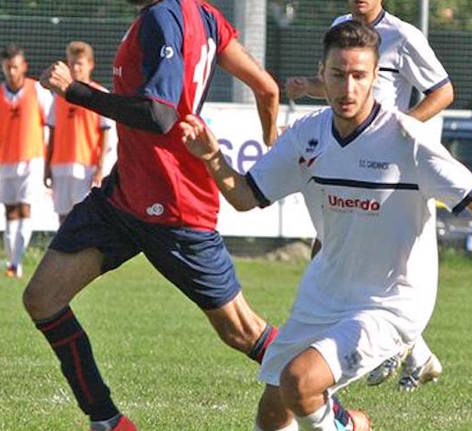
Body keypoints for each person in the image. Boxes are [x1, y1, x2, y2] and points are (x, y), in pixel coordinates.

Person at [179, 20, 472, 431]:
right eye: (338, 75)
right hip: (325, 291)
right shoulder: (307, 136)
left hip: (390, 302)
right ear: (322, 75)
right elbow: (245, 198)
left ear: (374, 79)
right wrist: (212, 158)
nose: (348, 88)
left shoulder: (407, 139)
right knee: (273, 410)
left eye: (358, 76)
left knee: (300, 383)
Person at [24, 1, 280, 430]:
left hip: (174, 208)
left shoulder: (164, 17)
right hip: (124, 198)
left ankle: (332, 410)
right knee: (42, 299)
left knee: (243, 332)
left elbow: (159, 114)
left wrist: (78, 91)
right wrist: (274, 149)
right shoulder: (204, 15)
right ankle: (108, 422)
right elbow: (268, 88)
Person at [285, 0, 454, 390]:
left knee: (361, 256)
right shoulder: (341, 26)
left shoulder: (404, 36)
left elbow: (443, 91)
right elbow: (339, 85)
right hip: (348, 158)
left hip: (388, 170)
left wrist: (399, 128)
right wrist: (307, 87)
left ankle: (392, 342)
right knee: (329, 250)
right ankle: (415, 352)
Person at [0, 44, 53, 279]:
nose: (11, 72)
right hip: (5, 160)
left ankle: (17, 263)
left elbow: (52, 125)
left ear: (24, 67)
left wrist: (49, 160)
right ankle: (12, 261)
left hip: (32, 160)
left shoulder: (38, 91)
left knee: (25, 207)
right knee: (10, 211)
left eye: (15, 67)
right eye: (7, 67)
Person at [45, 41, 112, 224]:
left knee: (85, 217)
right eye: (71, 63)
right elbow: (52, 132)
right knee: (63, 217)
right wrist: (47, 165)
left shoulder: (98, 94)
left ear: (91, 65)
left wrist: (100, 168)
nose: (75, 68)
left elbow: (105, 134)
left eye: (79, 63)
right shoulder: (59, 96)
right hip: (60, 165)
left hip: (86, 168)